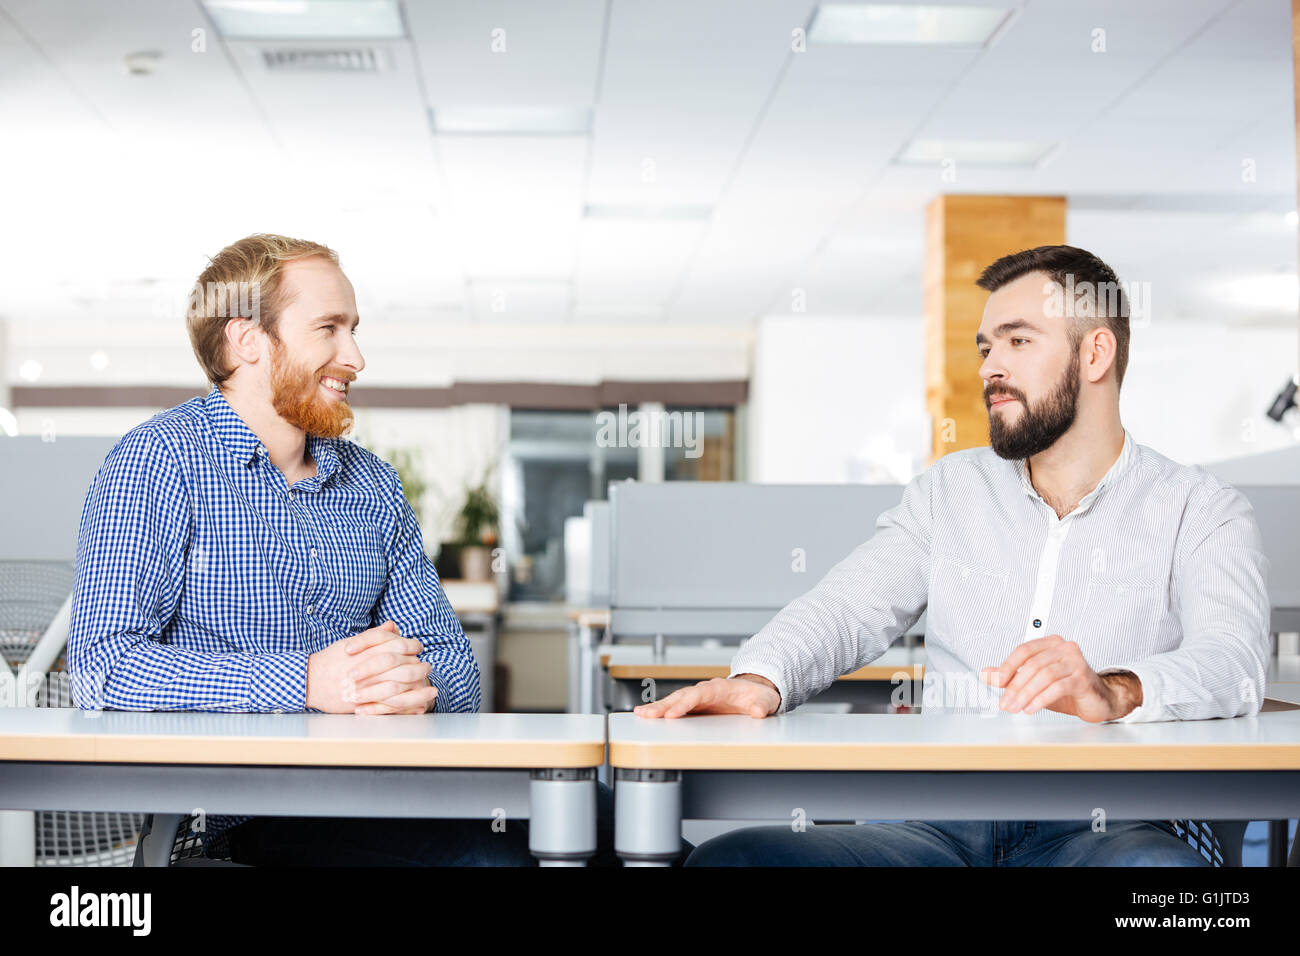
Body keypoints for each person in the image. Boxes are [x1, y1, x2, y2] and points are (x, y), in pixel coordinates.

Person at [634, 245, 1270, 867]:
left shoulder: (1201, 508)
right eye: (987, 347)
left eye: (1019, 341)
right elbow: (848, 605)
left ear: (1095, 352)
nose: (991, 367)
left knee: (1170, 890)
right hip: (935, 819)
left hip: (1111, 823)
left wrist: (1115, 690)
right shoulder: (950, 490)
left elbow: (1234, 660)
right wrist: (759, 681)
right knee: (741, 860)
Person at [67, 233, 675, 865]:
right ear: (246, 339)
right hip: (254, 804)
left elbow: (456, 667)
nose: (354, 356)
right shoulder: (156, 465)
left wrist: (404, 685)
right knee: (494, 861)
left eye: (353, 329)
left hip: (404, 780)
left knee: (633, 828)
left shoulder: (373, 484)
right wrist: (306, 681)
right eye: (327, 328)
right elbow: (101, 667)